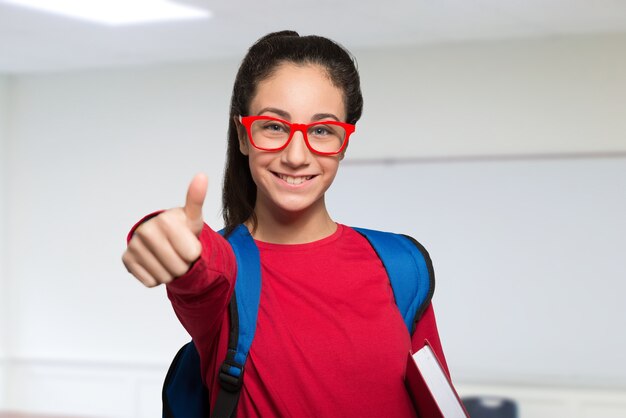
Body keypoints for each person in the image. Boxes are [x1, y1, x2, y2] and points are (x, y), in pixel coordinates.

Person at [122, 30, 450, 417]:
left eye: (322, 130)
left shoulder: (402, 264)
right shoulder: (225, 269)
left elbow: (438, 405)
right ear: (244, 135)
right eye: (274, 126)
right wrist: (162, 232)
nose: (296, 155)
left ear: (344, 143)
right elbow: (201, 266)